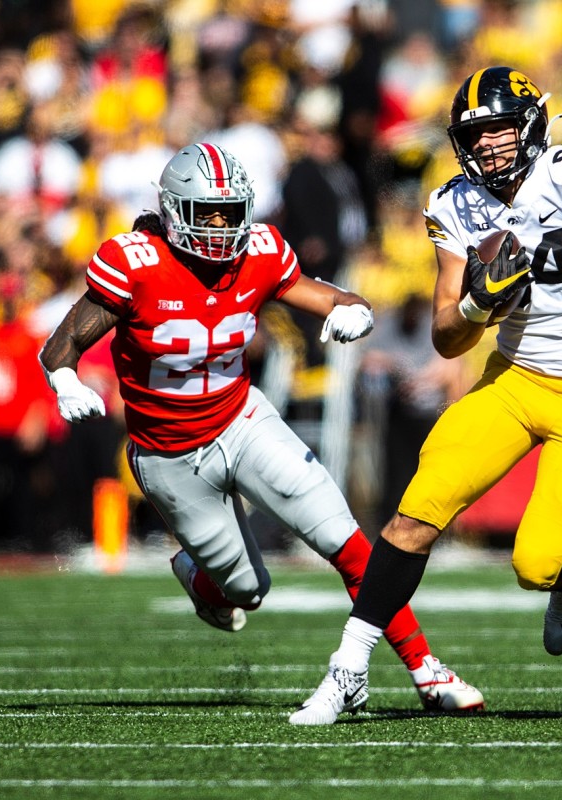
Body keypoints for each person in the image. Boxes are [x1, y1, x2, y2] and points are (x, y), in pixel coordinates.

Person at [289, 66, 562, 725]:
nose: (486, 145)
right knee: (412, 516)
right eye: (473, 134)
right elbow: (448, 340)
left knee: (535, 565)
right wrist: (481, 301)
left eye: (497, 129)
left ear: (531, 124)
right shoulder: (454, 204)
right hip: (513, 382)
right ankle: (347, 669)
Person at [38, 142, 483, 714]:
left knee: (342, 537)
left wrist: (352, 310)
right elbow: (63, 344)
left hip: (242, 420)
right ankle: (200, 574)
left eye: (231, 213)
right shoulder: (135, 262)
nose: (222, 229)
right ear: (174, 210)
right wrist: (66, 380)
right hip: (169, 454)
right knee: (248, 590)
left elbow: (332, 297)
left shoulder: (262, 251)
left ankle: (427, 671)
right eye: (208, 214)